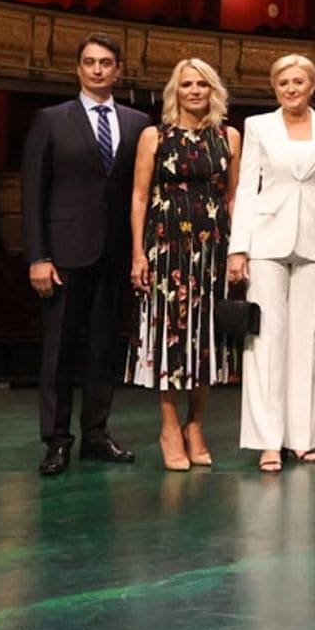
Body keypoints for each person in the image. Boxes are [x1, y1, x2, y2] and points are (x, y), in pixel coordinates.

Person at [21, 32, 150, 475]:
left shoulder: (138, 123)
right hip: (63, 255)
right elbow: (33, 192)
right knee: (58, 354)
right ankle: (57, 440)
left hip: (114, 255)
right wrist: (38, 255)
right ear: (79, 68)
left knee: (101, 353)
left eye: (106, 62)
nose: (98, 69)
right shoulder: (50, 120)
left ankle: (96, 435)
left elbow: (140, 193)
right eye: (90, 62)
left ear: (118, 69)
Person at [227, 54, 315, 472]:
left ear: (312, 86)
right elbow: (245, 188)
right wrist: (237, 247)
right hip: (265, 239)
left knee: (308, 337)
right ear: (274, 88)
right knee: (264, 340)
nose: (291, 89)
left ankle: (302, 437)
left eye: (298, 82)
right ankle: (267, 440)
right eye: (283, 83)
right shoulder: (258, 126)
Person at [125, 58, 244, 471]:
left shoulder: (228, 136)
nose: (194, 91)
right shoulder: (153, 136)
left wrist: (236, 250)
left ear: (214, 91)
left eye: (202, 85)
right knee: (170, 337)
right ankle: (170, 426)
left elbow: (233, 198)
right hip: (165, 249)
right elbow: (140, 196)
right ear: (175, 91)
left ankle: (197, 425)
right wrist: (138, 252)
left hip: (212, 249)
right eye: (186, 84)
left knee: (205, 339)